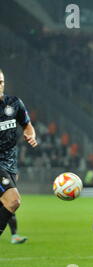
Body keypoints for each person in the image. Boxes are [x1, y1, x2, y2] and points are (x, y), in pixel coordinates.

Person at [0, 69, 38, 244]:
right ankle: (14, 235)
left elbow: (27, 125)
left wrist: (31, 135)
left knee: (6, 205)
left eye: (1, 82)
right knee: (13, 200)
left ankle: (14, 234)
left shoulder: (14, 103)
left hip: (10, 165)